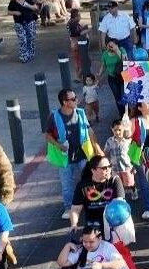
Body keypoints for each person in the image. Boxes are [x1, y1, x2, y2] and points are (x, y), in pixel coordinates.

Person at [45, 88, 105, 218]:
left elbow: (89, 131)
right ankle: (69, 208)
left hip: (83, 154)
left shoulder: (81, 113)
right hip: (65, 157)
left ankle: (92, 203)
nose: (76, 100)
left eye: (75, 98)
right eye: (73, 99)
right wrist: (58, 145)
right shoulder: (54, 117)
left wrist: (97, 148)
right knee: (67, 184)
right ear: (64, 102)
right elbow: (48, 135)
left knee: (89, 179)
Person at [69, 154, 127, 233]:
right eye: (104, 168)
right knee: (91, 243)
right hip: (92, 224)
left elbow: (119, 203)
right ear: (93, 170)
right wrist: (74, 224)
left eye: (109, 166)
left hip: (112, 221)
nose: (108, 170)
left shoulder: (114, 180)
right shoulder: (83, 185)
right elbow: (75, 209)